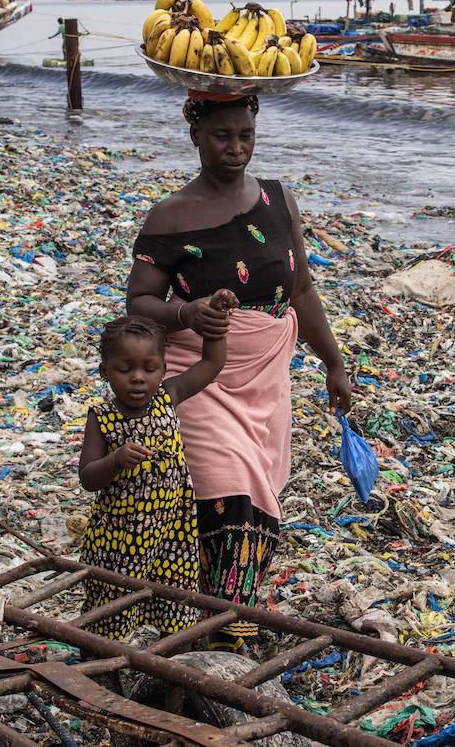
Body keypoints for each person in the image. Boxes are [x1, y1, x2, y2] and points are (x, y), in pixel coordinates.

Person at [127, 92, 352, 651]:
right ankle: (230, 636)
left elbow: (300, 290)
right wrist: (188, 312)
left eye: (246, 136)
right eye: (222, 136)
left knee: (253, 499)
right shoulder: (171, 215)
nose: (236, 148)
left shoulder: (279, 201)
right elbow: (139, 303)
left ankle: (213, 622)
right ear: (196, 135)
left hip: (266, 377)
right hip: (199, 371)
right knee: (232, 495)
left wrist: (334, 362)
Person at [78, 296, 236, 640]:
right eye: (125, 369)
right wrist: (116, 459)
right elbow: (88, 477)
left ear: (164, 369)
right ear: (105, 370)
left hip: (173, 532)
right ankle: (99, 673)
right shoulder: (102, 418)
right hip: (121, 538)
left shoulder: (169, 396)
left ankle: (171, 674)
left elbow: (213, 361)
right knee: (112, 610)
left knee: (176, 607)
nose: (138, 378)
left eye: (149, 369)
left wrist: (217, 316)